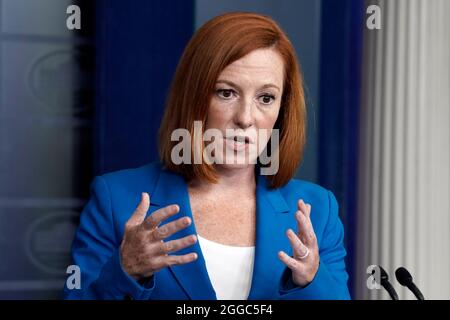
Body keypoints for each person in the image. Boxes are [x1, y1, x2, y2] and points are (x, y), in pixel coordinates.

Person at [63, 12, 350, 300]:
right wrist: (125, 271)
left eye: (266, 98)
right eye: (226, 93)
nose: (245, 118)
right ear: (193, 98)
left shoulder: (318, 210)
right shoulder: (116, 198)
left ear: (282, 111)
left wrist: (312, 280)